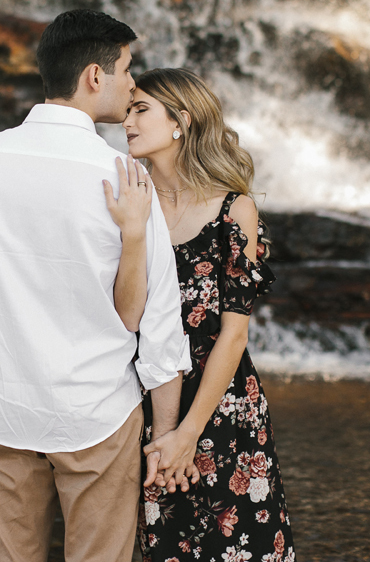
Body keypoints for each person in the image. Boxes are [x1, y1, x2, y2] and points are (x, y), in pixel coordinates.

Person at [0, 9, 194, 562]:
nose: (132, 84)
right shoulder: (123, 175)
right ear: (93, 76)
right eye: (127, 70)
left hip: (4, 407)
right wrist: (164, 436)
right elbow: (156, 319)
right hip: (96, 414)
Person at [106, 68, 295, 562]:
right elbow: (124, 314)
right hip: (142, 397)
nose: (126, 120)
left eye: (140, 109)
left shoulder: (234, 211)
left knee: (234, 546)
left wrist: (188, 434)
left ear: (181, 122)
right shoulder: (131, 202)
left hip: (220, 407)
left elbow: (233, 336)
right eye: (127, 109)